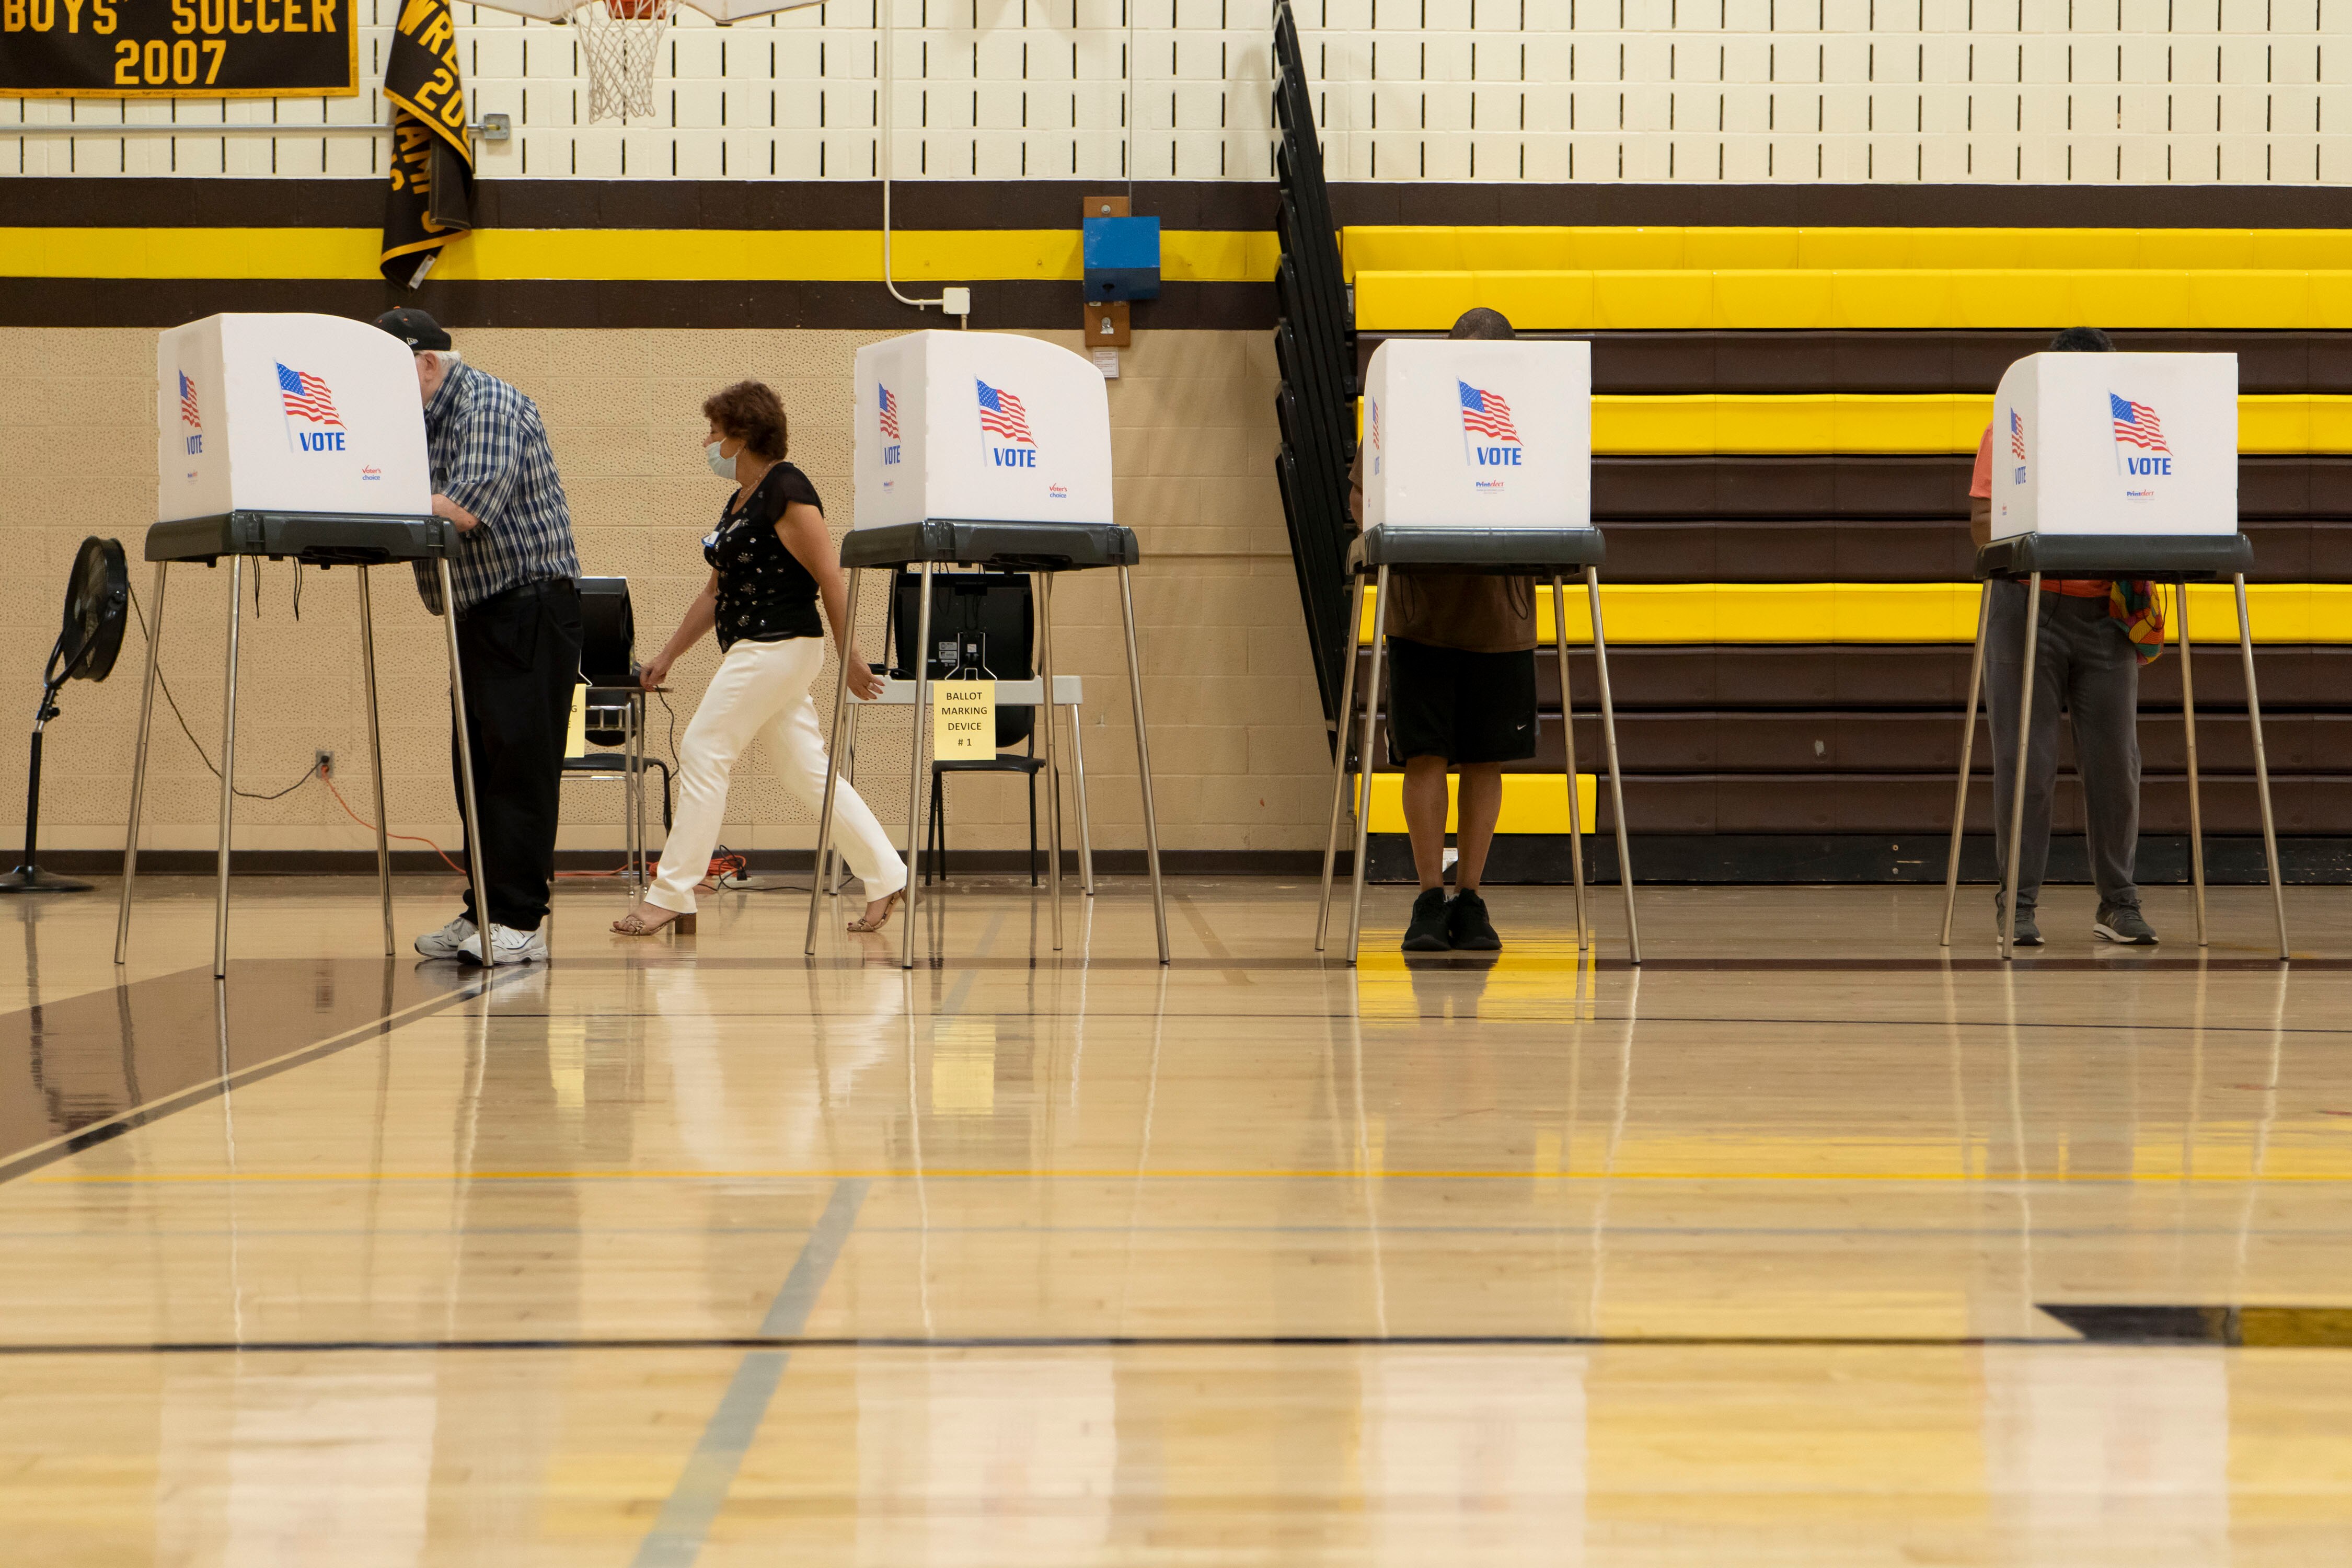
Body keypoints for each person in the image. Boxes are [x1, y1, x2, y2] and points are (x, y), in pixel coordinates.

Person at [611, 381, 907, 937]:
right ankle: (887, 874)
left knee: (703, 747)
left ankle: (673, 892)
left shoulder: (788, 488)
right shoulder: (740, 501)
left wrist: (852, 658)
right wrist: (668, 655)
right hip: (761, 650)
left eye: (714, 432)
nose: (708, 442)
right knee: (806, 771)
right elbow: (713, 594)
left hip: (779, 645)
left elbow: (830, 578)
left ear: (741, 436)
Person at [376, 307, 583, 967]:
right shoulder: (424, 420)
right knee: (477, 774)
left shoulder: (487, 403)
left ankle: (521, 921)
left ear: (428, 364)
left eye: (387, 377)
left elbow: (466, 507)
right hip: (480, 614)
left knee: (518, 772)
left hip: (527, 609)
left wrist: (369, 487)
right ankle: (486, 910)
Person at [1347, 306, 1537, 952]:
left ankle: (1472, 899)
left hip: (1499, 615)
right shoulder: (1405, 408)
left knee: (1485, 758)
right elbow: (1360, 496)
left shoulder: (1531, 412)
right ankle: (1430, 896)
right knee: (1423, 756)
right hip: (1422, 611)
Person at [1970, 325, 2158, 947]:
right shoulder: (2015, 431)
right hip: (2026, 609)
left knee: (2116, 766)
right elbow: (1981, 523)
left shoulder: (2129, 435)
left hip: (2106, 613)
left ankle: (2119, 903)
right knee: (2028, 765)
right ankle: (2017, 906)